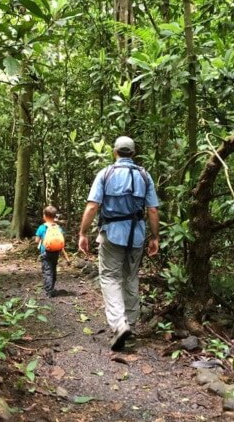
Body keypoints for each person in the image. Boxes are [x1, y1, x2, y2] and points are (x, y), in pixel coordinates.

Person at [78, 136, 160, 351]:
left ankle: (119, 324)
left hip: (112, 233)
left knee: (110, 277)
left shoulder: (106, 173)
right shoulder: (145, 175)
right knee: (130, 278)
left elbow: (93, 206)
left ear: (115, 152)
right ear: (132, 153)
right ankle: (130, 325)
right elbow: (152, 209)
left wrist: (83, 233)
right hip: (137, 236)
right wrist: (155, 237)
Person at [35, 205, 69, 298]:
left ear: (44, 216)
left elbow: (37, 241)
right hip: (56, 252)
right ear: (55, 216)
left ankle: (49, 291)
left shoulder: (42, 227)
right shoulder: (58, 228)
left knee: (47, 270)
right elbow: (61, 240)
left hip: (45, 252)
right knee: (53, 269)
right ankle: (52, 287)